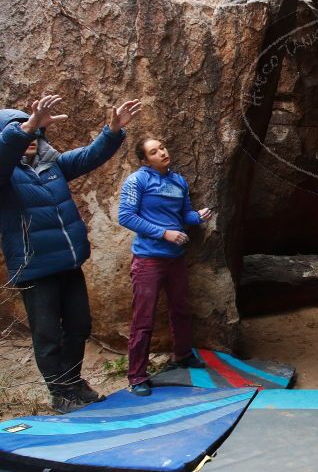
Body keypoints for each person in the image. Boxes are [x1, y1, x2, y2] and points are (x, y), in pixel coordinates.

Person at [0, 94, 139, 413]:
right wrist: (27, 126)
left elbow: (90, 156)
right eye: (22, 131)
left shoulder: (53, 166)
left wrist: (113, 130)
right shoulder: (5, 178)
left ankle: (74, 383)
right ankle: (60, 392)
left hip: (68, 262)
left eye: (35, 132)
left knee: (79, 325)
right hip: (36, 267)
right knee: (47, 334)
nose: (31, 137)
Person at [118, 137, 212, 396]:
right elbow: (125, 216)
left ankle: (182, 355)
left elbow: (184, 216)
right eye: (153, 151)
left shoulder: (178, 181)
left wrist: (199, 216)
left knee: (181, 309)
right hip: (148, 259)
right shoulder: (138, 180)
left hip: (175, 258)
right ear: (144, 160)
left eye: (162, 148)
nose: (161, 152)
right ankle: (137, 375)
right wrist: (164, 233)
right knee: (143, 319)